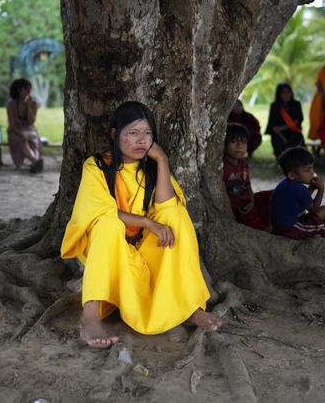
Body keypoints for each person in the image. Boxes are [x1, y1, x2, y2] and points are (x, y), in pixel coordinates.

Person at [60, 101, 221, 348]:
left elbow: (168, 210)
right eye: (132, 133)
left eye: (147, 134)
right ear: (115, 134)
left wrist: (162, 161)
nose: (141, 141)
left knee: (176, 216)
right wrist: (147, 222)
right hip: (111, 250)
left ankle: (190, 308)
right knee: (107, 224)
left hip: (145, 248)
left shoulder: (152, 168)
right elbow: (101, 210)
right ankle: (90, 317)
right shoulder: (97, 166)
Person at [269, 146, 325, 239]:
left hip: (279, 227)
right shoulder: (298, 188)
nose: (312, 172)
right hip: (290, 230)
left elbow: (303, 199)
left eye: (312, 168)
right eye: (307, 170)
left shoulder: (287, 183)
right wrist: (321, 190)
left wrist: (312, 188)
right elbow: (314, 210)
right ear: (292, 175)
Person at [222, 123, 271, 231]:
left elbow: (247, 184)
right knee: (257, 227)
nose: (239, 146)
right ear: (224, 143)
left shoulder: (243, 163)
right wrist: (230, 216)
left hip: (248, 202)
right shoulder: (222, 166)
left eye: (243, 142)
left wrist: (252, 202)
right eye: (233, 142)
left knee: (274, 194)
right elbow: (223, 192)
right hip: (238, 208)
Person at [7, 78, 43, 173]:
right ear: (19, 90)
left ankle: (35, 161)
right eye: (26, 89)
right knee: (22, 139)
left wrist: (28, 106)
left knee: (34, 140)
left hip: (29, 129)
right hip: (15, 130)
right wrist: (20, 133)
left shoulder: (33, 103)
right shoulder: (11, 104)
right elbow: (12, 124)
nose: (29, 91)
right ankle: (35, 161)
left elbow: (31, 122)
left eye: (29, 89)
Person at [265, 83, 304, 159]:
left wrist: (281, 128)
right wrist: (283, 137)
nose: (286, 94)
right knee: (277, 140)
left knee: (295, 139)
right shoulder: (274, 106)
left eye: (288, 92)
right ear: (279, 94)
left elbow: (296, 122)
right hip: (279, 134)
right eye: (283, 92)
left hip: (293, 132)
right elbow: (273, 125)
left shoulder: (296, 104)